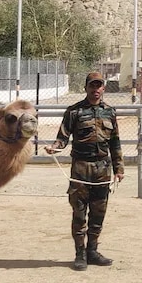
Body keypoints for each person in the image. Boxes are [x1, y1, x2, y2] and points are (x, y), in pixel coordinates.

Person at [46, 71, 124, 270]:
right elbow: (62, 137)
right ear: (86, 87)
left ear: (103, 88)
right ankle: (79, 254)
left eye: (99, 86)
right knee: (79, 213)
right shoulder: (74, 112)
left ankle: (93, 251)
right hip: (81, 169)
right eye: (92, 85)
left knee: (98, 213)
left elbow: (115, 142)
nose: (95, 90)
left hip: (103, 169)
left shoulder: (110, 112)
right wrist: (55, 147)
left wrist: (119, 168)